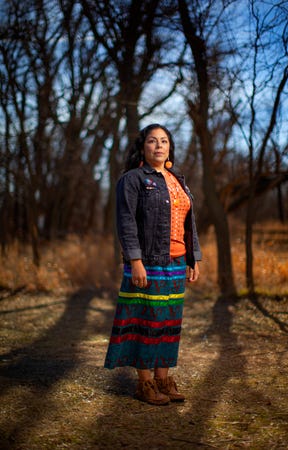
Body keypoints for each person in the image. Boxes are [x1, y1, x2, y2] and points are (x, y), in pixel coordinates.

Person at [104, 123, 201, 405]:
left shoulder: (177, 180)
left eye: (164, 141)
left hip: (176, 261)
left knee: (170, 323)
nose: (159, 146)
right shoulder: (133, 179)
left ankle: (163, 379)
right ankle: (144, 384)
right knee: (148, 322)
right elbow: (126, 222)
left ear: (170, 147)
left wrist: (193, 257)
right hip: (148, 262)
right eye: (152, 141)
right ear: (142, 147)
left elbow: (188, 224)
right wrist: (134, 260)